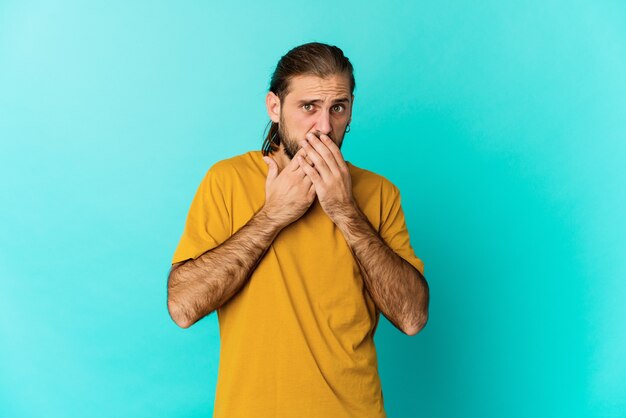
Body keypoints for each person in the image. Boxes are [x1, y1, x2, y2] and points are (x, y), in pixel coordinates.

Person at [167, 42, 429, 418]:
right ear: (275, 107)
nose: (324, 126)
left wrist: (346, 212)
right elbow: (182, 307)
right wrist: (272, 216)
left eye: (338, 107)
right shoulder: (226, 181)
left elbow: (412, 318)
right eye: (309, 107)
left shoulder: (379, 193)